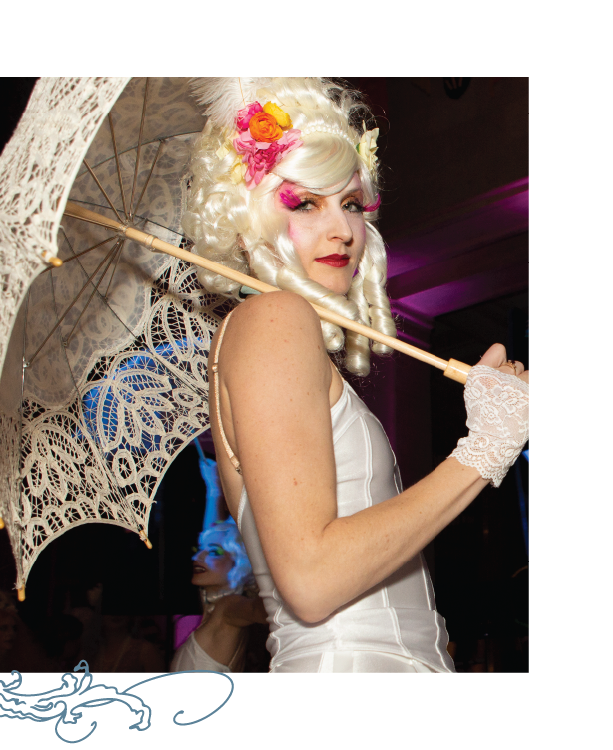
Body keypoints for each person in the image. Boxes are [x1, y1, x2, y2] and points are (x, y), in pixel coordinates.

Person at [181, 77, 529, 673]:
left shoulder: (268, 332)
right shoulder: (273, 318)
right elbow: (313, 580)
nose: (342, 229)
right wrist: (485, 448)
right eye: (305, 204)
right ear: (252, 217)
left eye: (351, 204)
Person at [170, 517, 266, 673]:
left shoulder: (227, 607)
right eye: (199, 549)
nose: (198, 557)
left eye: (214, 552)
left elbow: (262, 610)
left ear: (239, 565)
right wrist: (214, 493)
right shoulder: (214, 614)